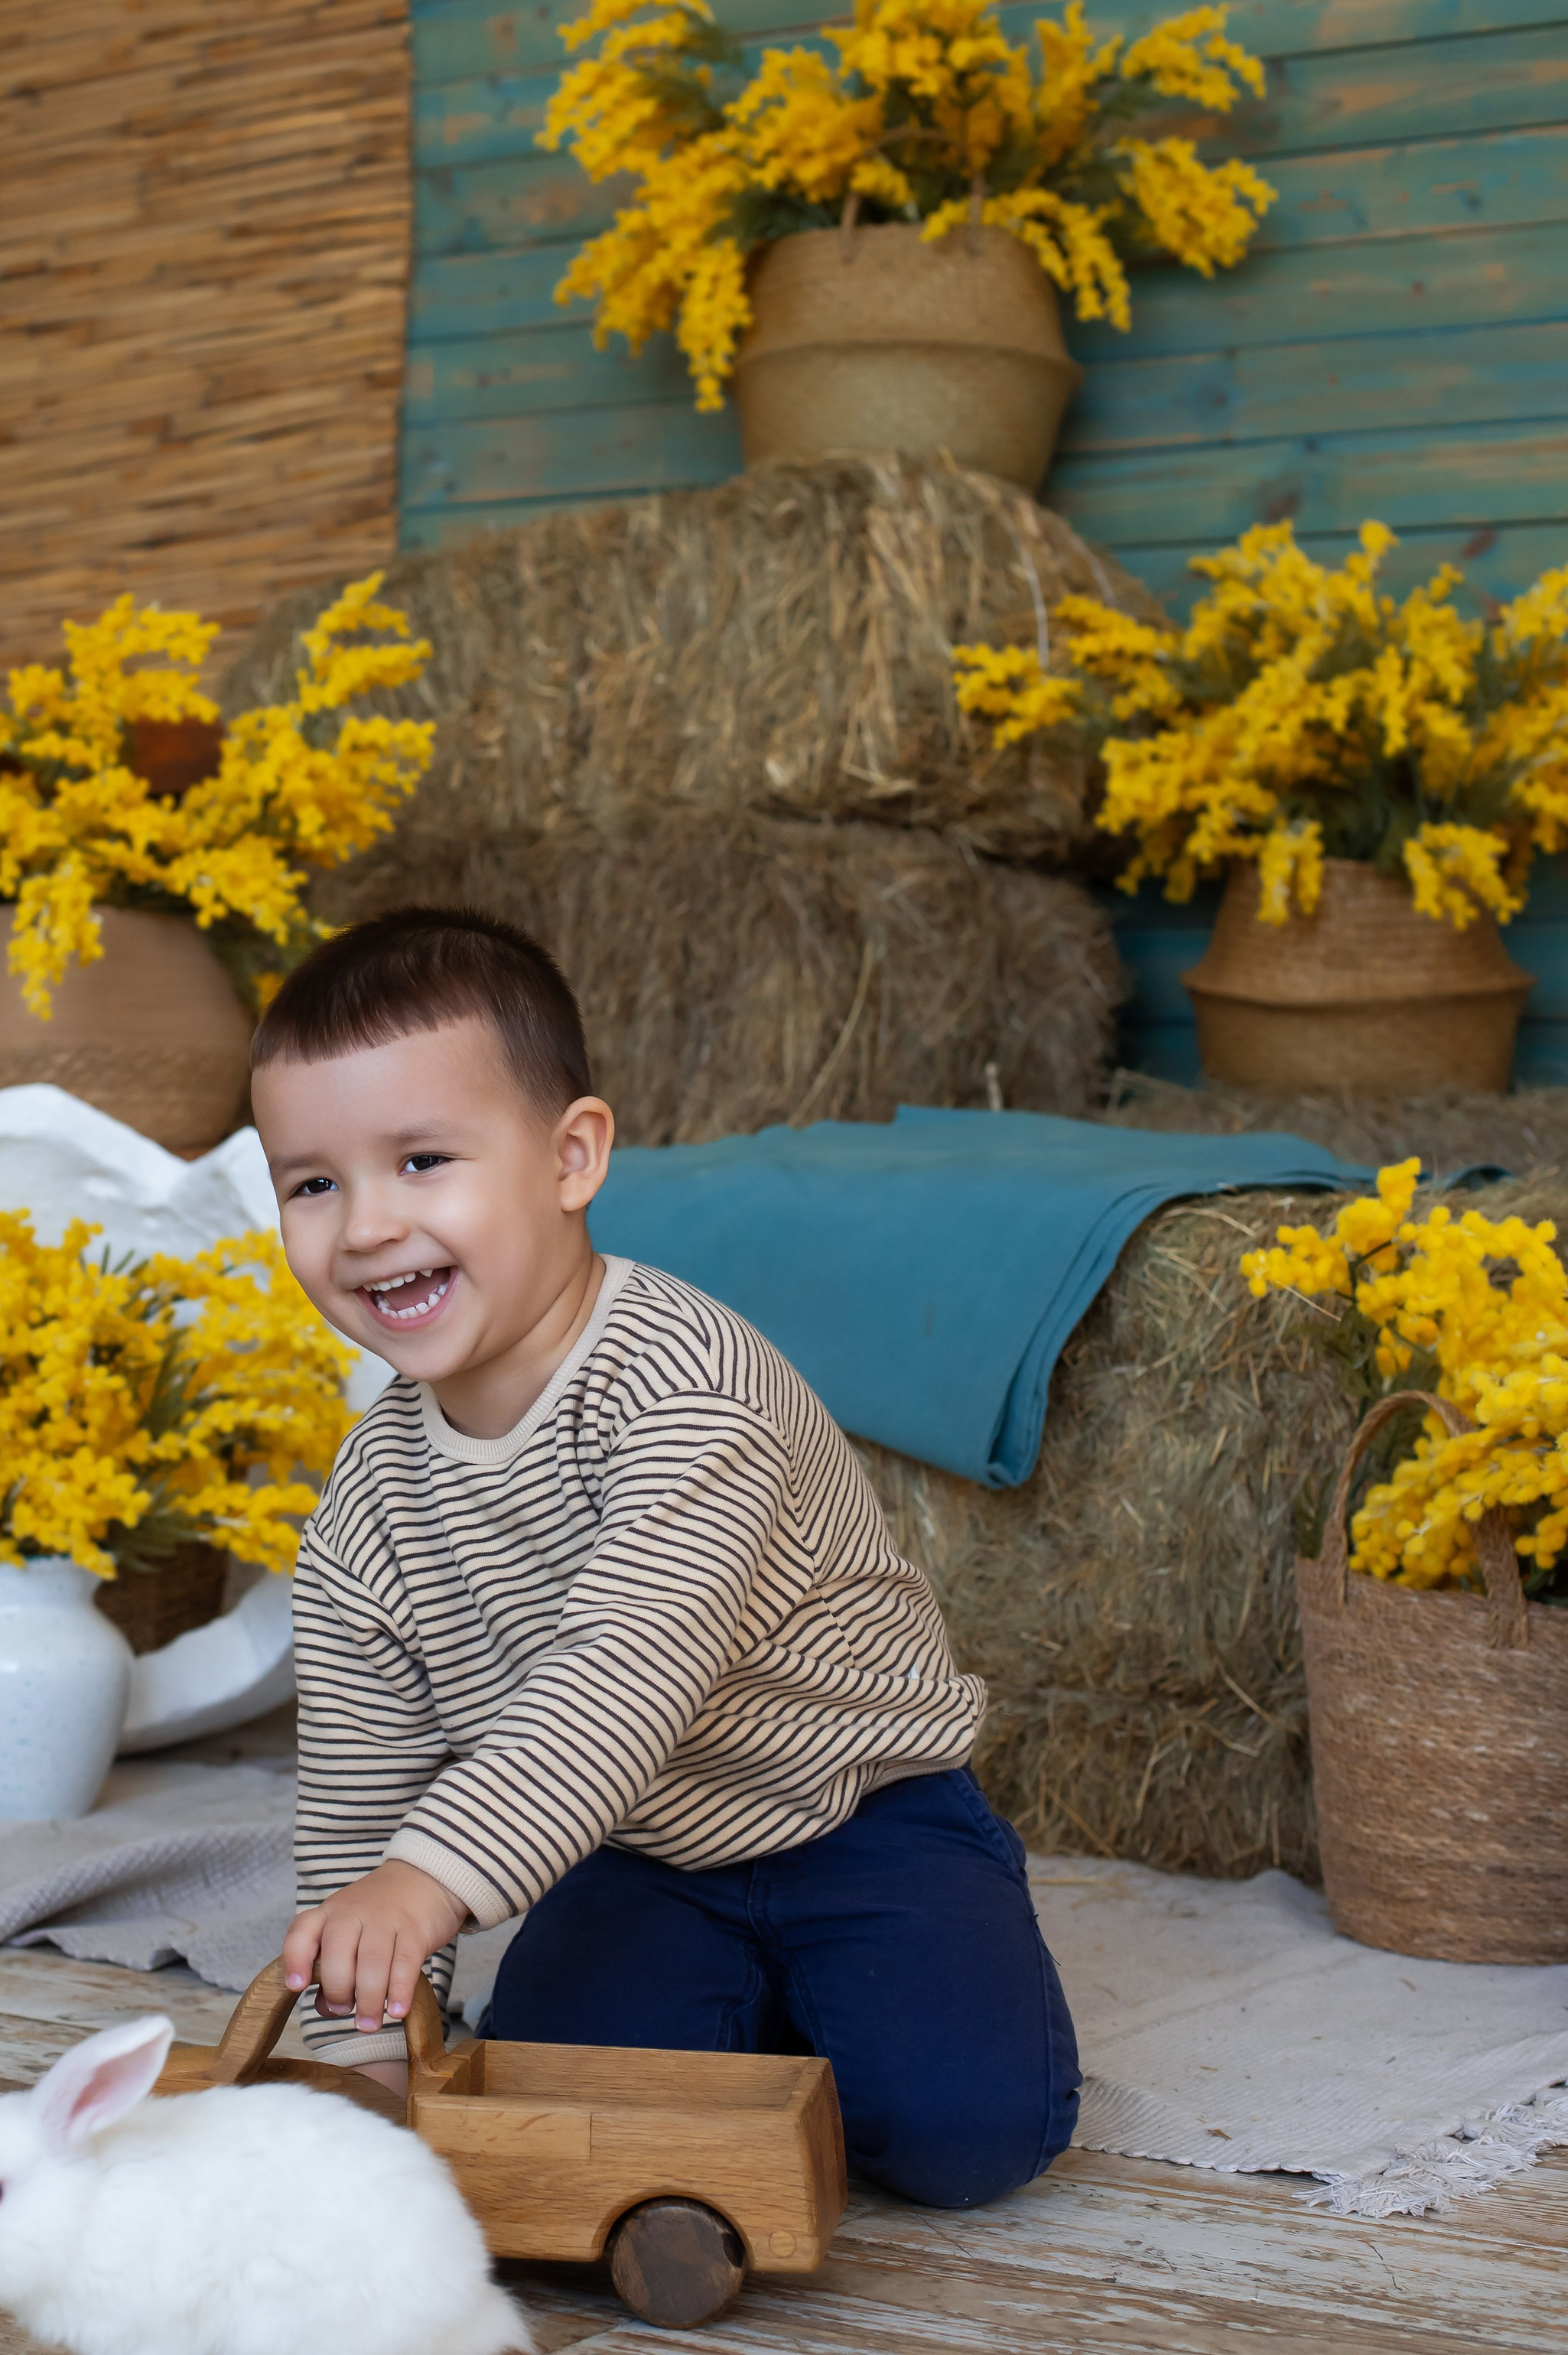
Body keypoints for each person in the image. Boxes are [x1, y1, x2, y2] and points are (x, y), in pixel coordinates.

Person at [250, 907, 1079, 2207]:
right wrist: (364, 2062)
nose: (363, 1226)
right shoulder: (371, 1496)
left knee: (962, 2134)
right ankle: (726, 2029)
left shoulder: (690, 1392)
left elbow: (623, 1675)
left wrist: (433, 1882)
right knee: (552, 2122)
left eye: (421, 1160)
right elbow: (362, 1782)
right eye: (312, 1182)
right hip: (635, 1852)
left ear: (572, 1157)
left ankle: (842, 2002)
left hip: (855, 1811)